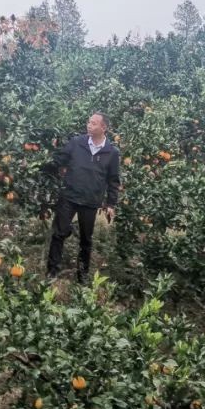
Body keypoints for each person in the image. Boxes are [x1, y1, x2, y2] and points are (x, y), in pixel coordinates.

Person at [45, 112, 121, 283]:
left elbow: (113, 179)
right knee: (58, 234)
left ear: (104, 128)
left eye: (93, 123)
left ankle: (83, 275)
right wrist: (47, 157)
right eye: (89, 122)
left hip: (90, 201)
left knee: (86, 240)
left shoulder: (112, 152)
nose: (89, 125)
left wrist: (110, 203)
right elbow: (60, 159)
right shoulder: (76, 142)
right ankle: (52, 271)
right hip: (69, 196)